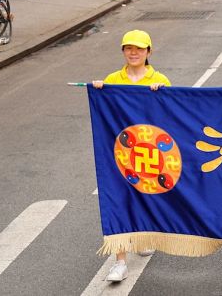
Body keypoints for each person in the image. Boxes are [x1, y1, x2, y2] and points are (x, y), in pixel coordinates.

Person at [92, 30, 171, 283]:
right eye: (128, 48)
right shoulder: (113, 79)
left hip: (149, 155)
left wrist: (161, 95)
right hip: (121, 153)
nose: (133, 53)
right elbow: (106, 113)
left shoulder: (160, 79)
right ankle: (120, 262)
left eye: (138, 48)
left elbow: (170, 117)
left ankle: (143, 237)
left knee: (145, 199)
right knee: (118, 202)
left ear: (149, 52)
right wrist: (99, 91)